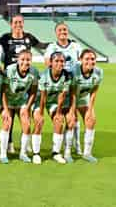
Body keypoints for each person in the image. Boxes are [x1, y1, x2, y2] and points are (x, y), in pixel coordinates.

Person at [0, 13, 49, 153]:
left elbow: (41, 45)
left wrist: (55, 44)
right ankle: (9, 144)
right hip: (10, 78)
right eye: (15, 22)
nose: (18, 25)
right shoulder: (5, 38)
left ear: (23, 23)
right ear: (11, 24)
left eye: (20, 22)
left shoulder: (29, 37)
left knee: (24, 112)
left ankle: (27, 143)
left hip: (25, 77)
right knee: (10, 114)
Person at [44, 21, 83, 155]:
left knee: (74, 117)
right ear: (56, 33)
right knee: (60, 117)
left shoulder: (76, 46)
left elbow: (80, 64)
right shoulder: (51, 47)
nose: (63, 32)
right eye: (60, 30)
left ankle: (75, 146)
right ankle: (62, 148)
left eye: (65, 30)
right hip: (58, 85)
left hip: (72, 85)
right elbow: (47, 63)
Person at [32, 52, 73, 164]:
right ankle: (36, 153)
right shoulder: (43, 75)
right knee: (39, 121)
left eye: (62, 61)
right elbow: (43, 96)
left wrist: (58, 113)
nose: (60, 63)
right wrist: (40, 113)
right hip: (39, 101)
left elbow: (62, 95)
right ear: (50, 63)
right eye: (57, 61)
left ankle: (56, 152)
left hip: (53, 102)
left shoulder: (67, 76)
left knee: (59, 121)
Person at [0, 50, 39, 163]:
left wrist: (27, 107)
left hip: (22, 102)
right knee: (7, 122)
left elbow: (33, 92)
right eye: (22, 59)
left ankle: (23, 153)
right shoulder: (10, 70)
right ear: (17, 60)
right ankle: (3, 154)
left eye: (28, 60)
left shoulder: (34, 72)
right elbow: (3, 91)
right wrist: (6, 109)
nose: (25, 62)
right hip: (8, 101)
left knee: (26, 124)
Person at [71, 49, 103, 163]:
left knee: (91, 120)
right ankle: (72, 148)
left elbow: (94, 90)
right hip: (70, 98)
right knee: (72, 120)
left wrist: (90, 109)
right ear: (80, 60)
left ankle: (87, 153)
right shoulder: (74, 71)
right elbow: (72, 92)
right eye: (87, 59)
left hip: (84, 98)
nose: (90, 61)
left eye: (93, 59)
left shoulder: (99, 72)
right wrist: (72, 110)